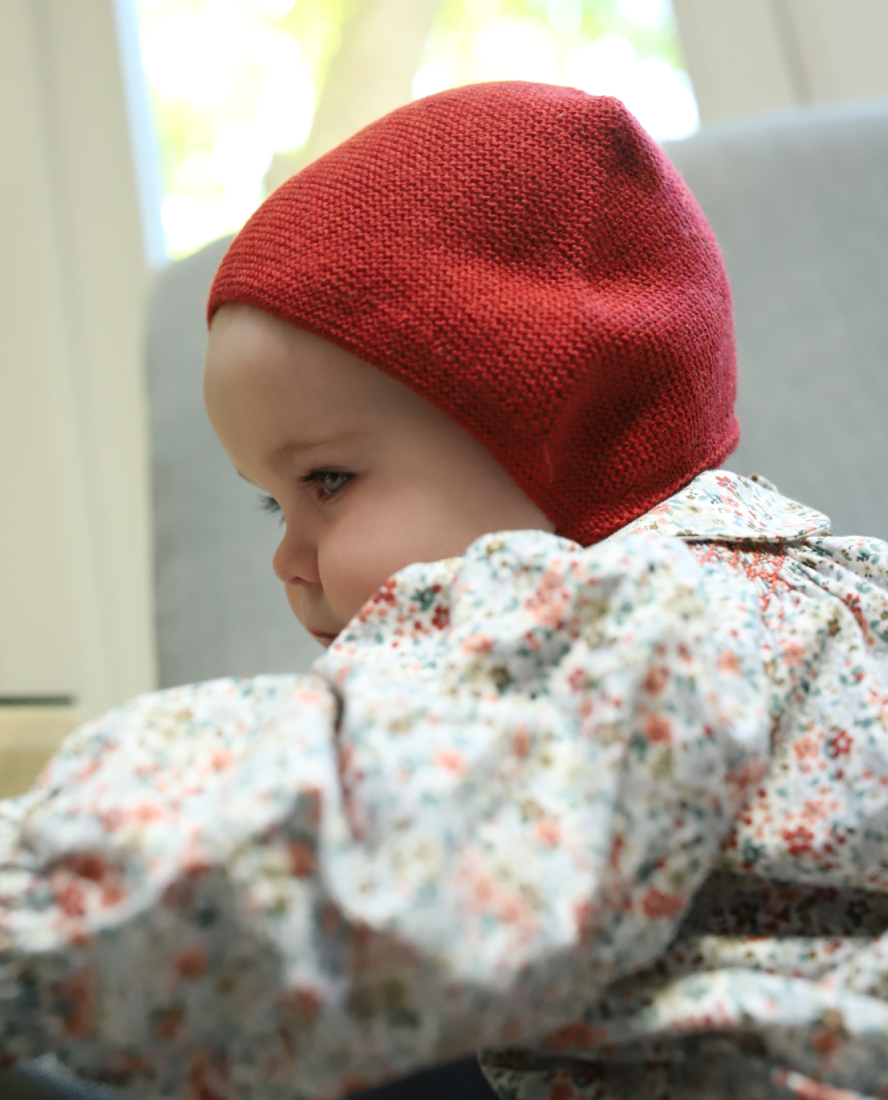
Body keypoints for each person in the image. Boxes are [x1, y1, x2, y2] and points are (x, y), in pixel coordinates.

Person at [2, 82, 888, 1100]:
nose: (288, 557)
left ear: (556, 419)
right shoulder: (800, 594)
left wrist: (27, 891)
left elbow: (346, 841)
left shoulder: (624, 630)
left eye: (327, 482)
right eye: (271, 505)